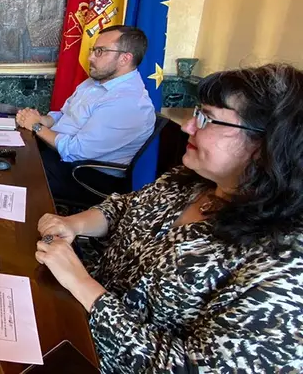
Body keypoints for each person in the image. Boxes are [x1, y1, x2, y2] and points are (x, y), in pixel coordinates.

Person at [34, 64, 303, 372]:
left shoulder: (285, 265)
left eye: (207, 118)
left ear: (267, 145)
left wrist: (83, 285)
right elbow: (123, 207)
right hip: (70, 319)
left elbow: (188, 368)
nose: (188, 126)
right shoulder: (190, 181)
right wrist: (73, 224)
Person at [16, 25, 154, 205]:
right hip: (57, 154)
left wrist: (36, 126)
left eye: (100, 51)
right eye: (93, 50)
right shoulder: (93, 83)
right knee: (4, 155)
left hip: (84, 175)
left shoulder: (128, 102)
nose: (90, 57)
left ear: (125, 58)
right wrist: (43, 119)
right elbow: (64, 115)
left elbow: (75, 151)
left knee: (10, 176)